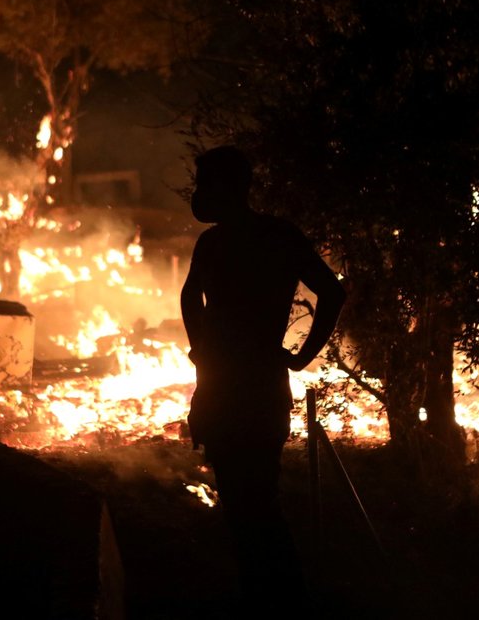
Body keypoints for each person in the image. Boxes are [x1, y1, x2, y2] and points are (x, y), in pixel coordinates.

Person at [181, 146, 345, 613]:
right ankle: (270, 594)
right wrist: (298, 357)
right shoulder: (275, 236)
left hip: (231, 387)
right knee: (251, 497)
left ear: (226, 187)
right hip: (253, 384)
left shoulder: (218, 243)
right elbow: (332, 292)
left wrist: (202, 350)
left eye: (204, 182)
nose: (198, 193)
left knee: (250, 502)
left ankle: (281, 597)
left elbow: (191, 297)